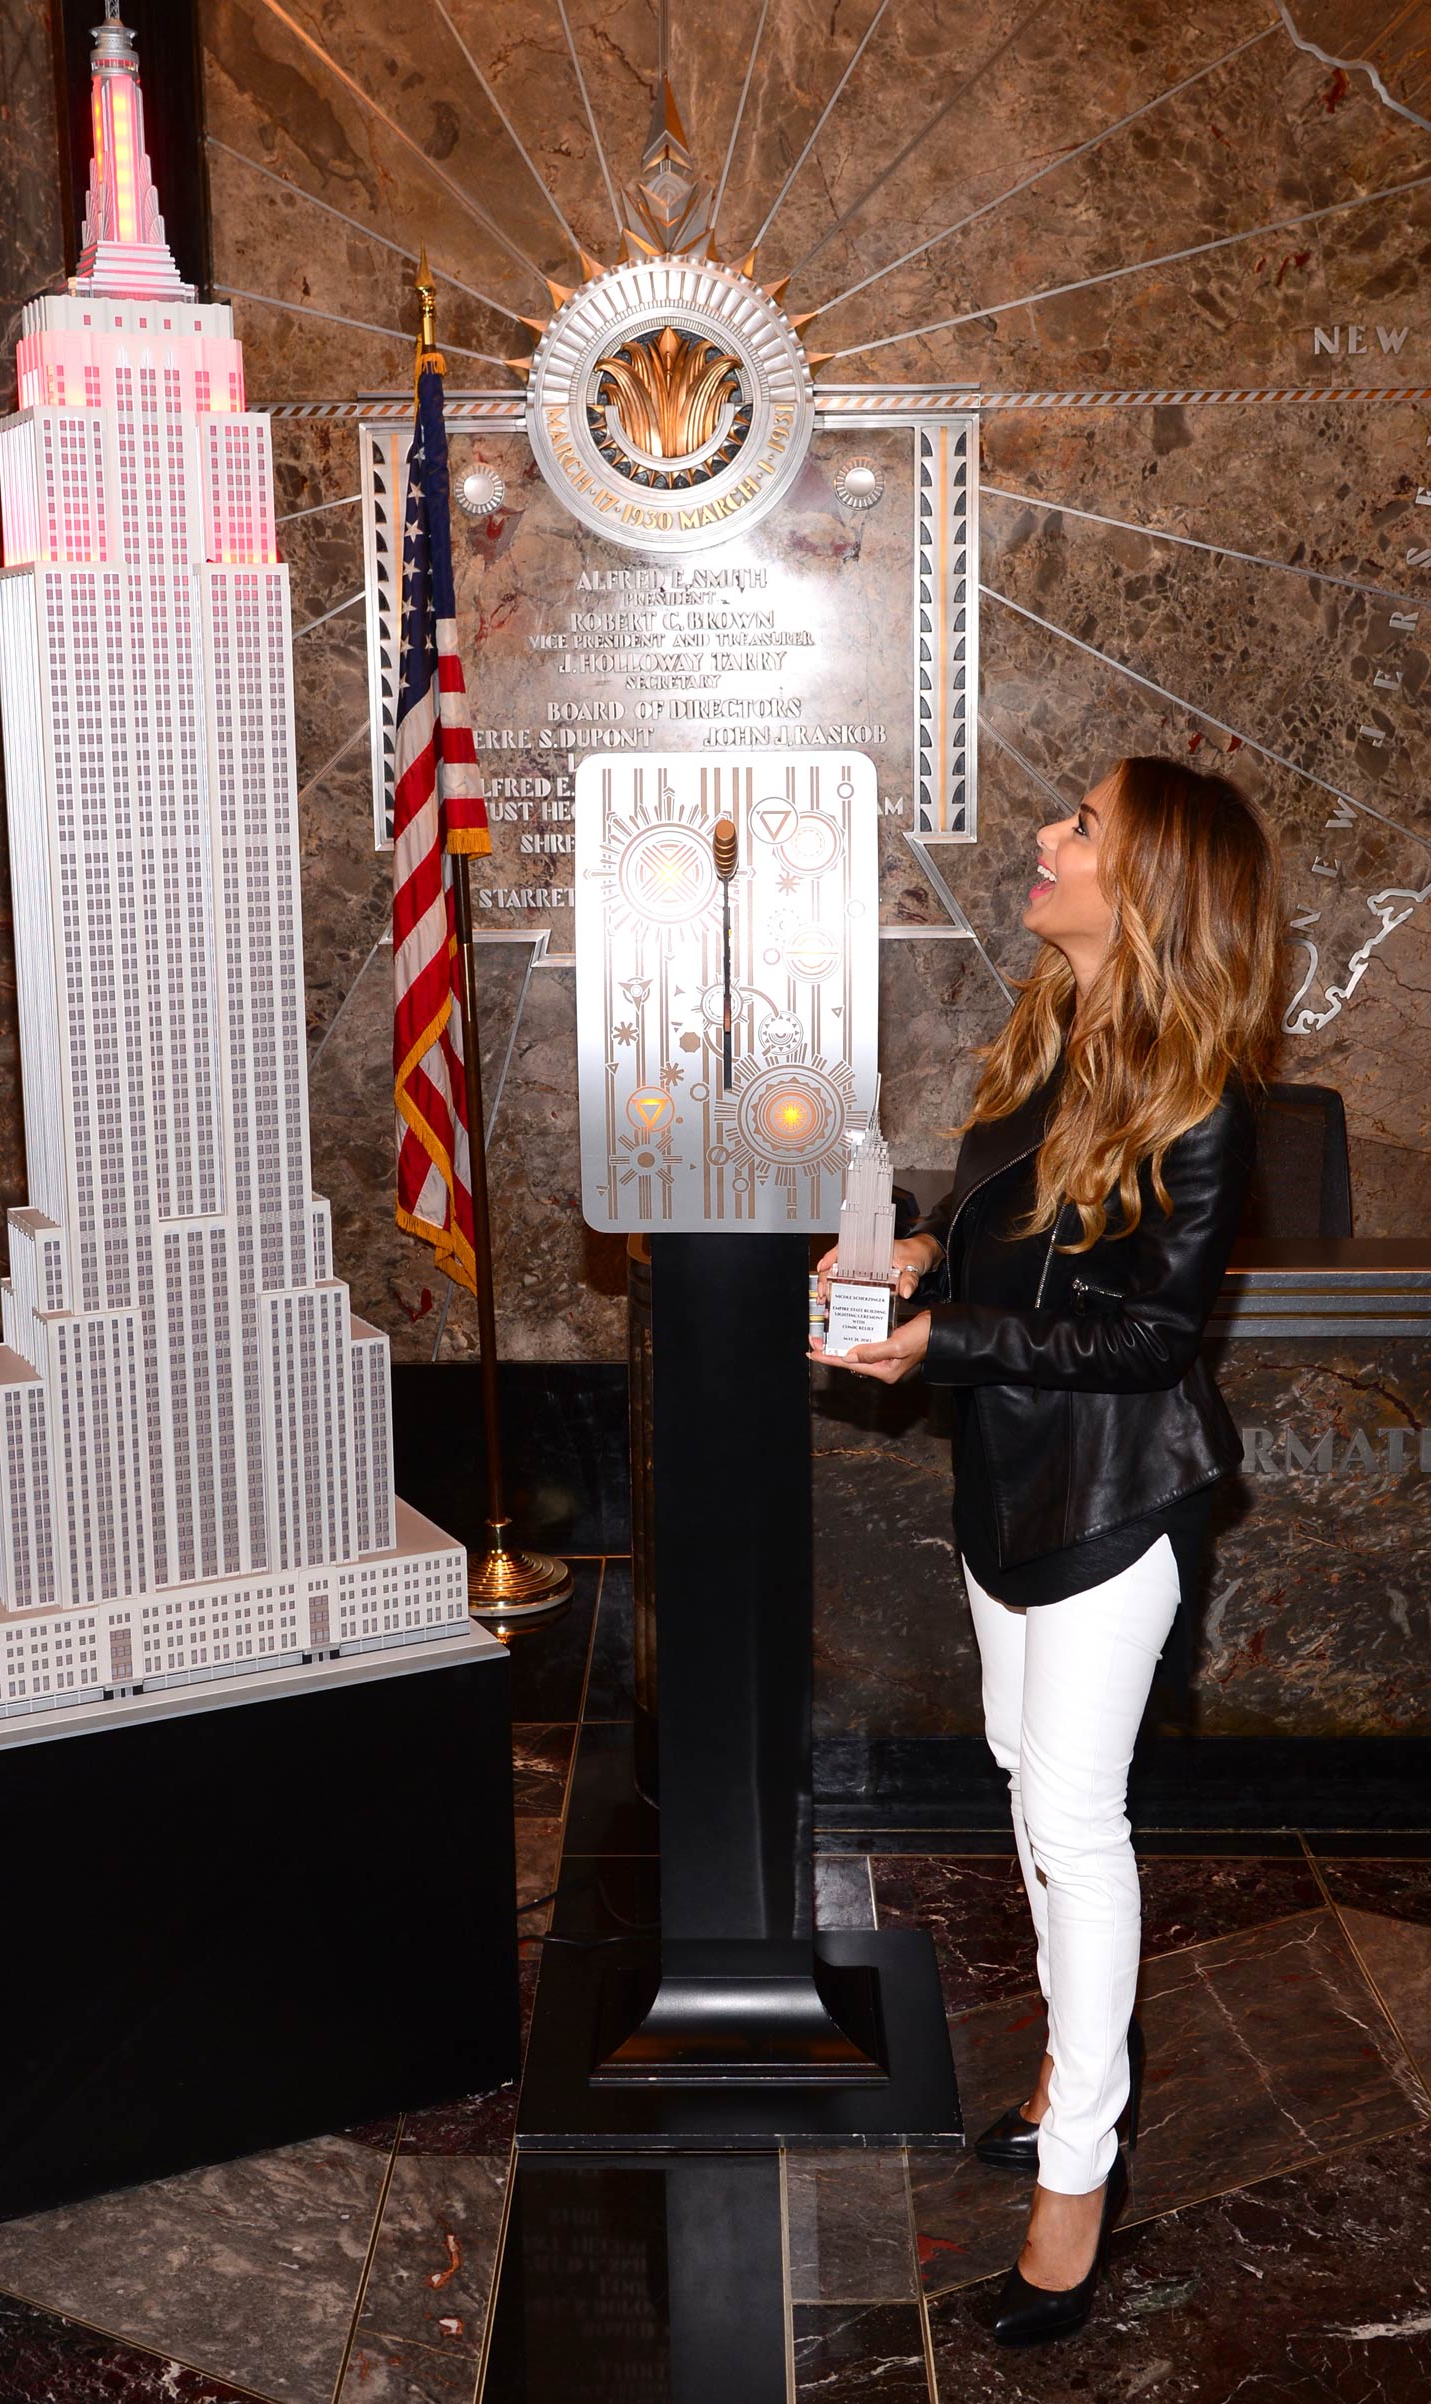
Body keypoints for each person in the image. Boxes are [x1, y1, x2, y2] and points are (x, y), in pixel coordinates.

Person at [811, 754, 1283, 2346]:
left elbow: (1152, 1340)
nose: (1046, 836)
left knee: (1076, 1826)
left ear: (1146, 886)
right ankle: (1070, 2074)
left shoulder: (1202, 1093)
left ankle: (1078, 2171)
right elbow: (988, 1206)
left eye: (1083, 827)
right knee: (1025, 1773)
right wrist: (911, 1254)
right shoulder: (1052, 1030)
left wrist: (939, 1342)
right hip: (1007, 1483)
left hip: (1111, 1499)